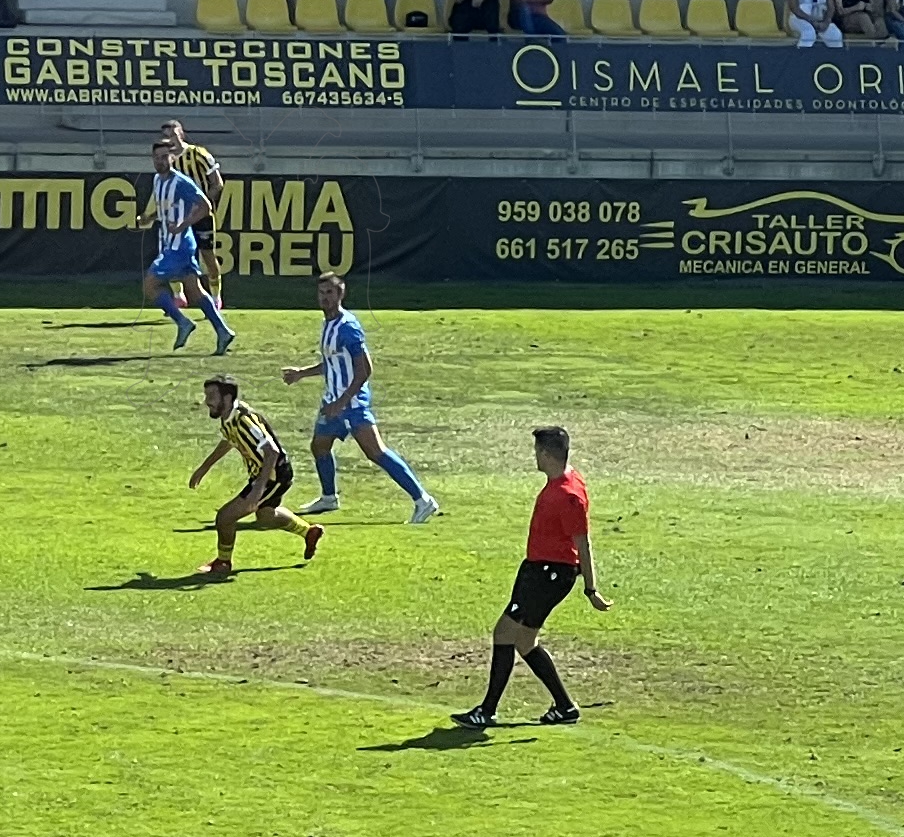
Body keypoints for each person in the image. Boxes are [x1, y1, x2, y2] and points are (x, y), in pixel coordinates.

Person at [457, 423, 603, 727]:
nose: (534, 456)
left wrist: (591, 589)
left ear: (547, 454)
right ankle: (565, 707)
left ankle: (487, 710)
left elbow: (583, 543)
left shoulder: (568, 495)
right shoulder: (568, 478)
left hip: (548, 574)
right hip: (539, 570)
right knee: (524, 641)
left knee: (504, 634)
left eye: (537, 450)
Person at [284, 272, 436, 522]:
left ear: (340, 294)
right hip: (332, 401)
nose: (324, 298)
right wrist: (302, 373)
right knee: (319, 446)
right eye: (321, 293)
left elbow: (364, 369)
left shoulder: (348, 327)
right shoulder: (328, 324)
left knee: (376, 452)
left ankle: (423, 499)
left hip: (351, 404)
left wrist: (341, 403)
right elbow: (332, 363)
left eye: (329, 293)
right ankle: (329, 498)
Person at [188, 375, 322, 579]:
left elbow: (272, 452)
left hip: (273, 475)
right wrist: (204, 467)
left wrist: (258, 490)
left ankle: (223, 563)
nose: (207, 401)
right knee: (266, 516)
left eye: (212, 396)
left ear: (227, 396)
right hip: (264, 475)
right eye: (207, 395)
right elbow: (229, 441)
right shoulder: (229, 418)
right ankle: (308, 532)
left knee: (225, 517)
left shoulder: (245, 419)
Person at [141, 132, 233, 352]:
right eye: (157, 158)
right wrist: (149, 218)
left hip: (179, 246)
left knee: (150, 285)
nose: (160, 161)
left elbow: (205, 206)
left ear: (172, 158)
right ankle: (223, 331)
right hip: (171, 243)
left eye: (164, 157)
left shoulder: (181, 182)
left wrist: (183, 225)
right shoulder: (157, 180)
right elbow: (165, 209)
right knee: (195, 290)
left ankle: (183, 322)